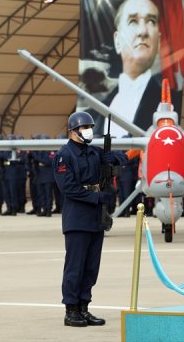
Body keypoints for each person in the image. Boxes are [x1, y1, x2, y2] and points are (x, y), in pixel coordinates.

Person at [53, 111, 125, 327]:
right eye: (84, 127)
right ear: (73, 131)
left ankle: (84, 307)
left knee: (91, 267)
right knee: (75, 266)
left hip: (96, 217)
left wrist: (114, 158)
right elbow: (68, 188)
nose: (88, 131)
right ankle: (71, 310)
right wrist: (96, 197)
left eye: (90, 127)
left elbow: (120, 161)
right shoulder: (64, 155)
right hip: (77, 216)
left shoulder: (93, 153)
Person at [89, 0, 173, 136]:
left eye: (151, 21)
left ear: (158, 41)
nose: (142, 32)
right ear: (117, 41)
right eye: (133, 22)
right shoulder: (96, 111)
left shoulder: (171, 102)